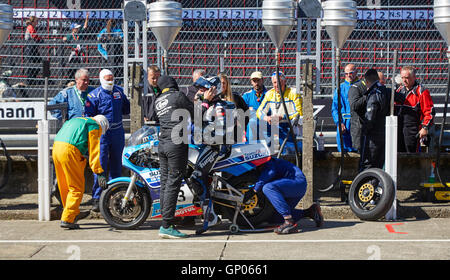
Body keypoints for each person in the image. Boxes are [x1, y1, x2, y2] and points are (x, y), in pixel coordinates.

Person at [153, 75, 194, 238]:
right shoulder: (178, 96)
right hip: (176, 144)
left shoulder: (158, 100)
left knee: (165, 182)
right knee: (174, 182)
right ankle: (167, 225)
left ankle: (165, 222)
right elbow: (195, 113)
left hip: (162, 144)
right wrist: (205, 101)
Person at [84, 69, 130, 212]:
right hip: (101, 134)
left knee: (117, 164)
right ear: (101, 79)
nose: (110, 81)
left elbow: (126, 109)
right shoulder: (93, 95)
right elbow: (88, 116)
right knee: (100, 164)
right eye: (107, 79)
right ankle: (97, 198)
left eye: (112, 78)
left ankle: (114, 195)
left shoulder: (119, 91)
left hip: (117, 132)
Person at [52, 115, 109, 229]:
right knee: (76, 188)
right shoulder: (94, 125)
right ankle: (68, 219)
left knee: (65, 186)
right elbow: (94, 151)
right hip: (69, 151)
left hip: (56, 148)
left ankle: (72, 212)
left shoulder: (76, 120)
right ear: (102, 126)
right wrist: (99, 172)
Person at [243, 157, 323, 234]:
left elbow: (270, 172)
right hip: (289, 186)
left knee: (268, 188)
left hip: (297, 183)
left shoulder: (269, 162)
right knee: (272, 217)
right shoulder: (259, 166)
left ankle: (289, 222)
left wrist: (254, 190)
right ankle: (310, 212)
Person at [256, 71, 303, 150]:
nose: (276, 85)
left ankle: (290, 150)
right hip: (276, 122)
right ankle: (266, 151)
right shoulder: (269, 94)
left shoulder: (294, 93)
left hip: (292, 123)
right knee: (256, 122)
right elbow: (259, 111)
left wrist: (283, 117)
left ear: (284, 81)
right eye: (274, 82)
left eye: (279, 82)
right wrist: (267, 118)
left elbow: (299, 113)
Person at [394, 66, 435, 153]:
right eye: (402, 78)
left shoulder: (421, 91)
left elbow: (430, 112)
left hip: (413, 128)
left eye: (407, 78)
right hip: (398, 127)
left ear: (414, 77)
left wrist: (425, 127)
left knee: (411, 155)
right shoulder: (399, 90)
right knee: (397, 154)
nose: (404, 80)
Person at [359, 69, 390, 171]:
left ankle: (368, 186)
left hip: (373, 137)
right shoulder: (386, 90)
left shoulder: (373, 94)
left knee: (367, 165)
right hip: (384, 133)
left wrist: (364, 131)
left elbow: (370, 116)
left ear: (367, 81)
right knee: (379, 166)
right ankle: (375, 186)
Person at [331, 64, 359, 153]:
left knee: (358, 151)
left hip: (357, 123)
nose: (348, 75)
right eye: (346, 74)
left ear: (356, 72)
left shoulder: (362, 86)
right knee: (343, 152)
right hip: (344, 124)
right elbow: (335, 108)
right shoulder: (340, 88)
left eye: (350, 73)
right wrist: (339, 122)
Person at [218, 72, 248, 143]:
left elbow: (246, 113)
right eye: (220, 83)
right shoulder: (212, 98)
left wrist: (240, 120)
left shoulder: (236, 97)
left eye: (224, 83)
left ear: (227, 84)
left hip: (234, 130)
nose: (222, 85)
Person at [62, 13, 89, 83]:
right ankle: (70, 78)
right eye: (76, 28)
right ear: (73, 29)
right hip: (74, 52)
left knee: (81, 66)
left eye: (78, 28)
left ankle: (81, 79)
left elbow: (85, 26)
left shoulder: (80, 33)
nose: (78, 29)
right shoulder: (70, 35)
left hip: (80, 52)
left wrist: (87, 18)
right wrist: (65, 39)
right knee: (70, 63)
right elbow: (64, 38)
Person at [242, 71, 268, 142]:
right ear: (251, 82)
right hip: (251, 128)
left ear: (262, 80)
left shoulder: (269, 95)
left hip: (266, 126)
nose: (256, 83)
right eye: (254, 81)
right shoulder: (246, 96)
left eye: (258, 80)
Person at [24, 16, 42, 86]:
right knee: (32, 64)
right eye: (36, 21)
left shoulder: (32, 27)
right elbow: (35, 36)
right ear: (33, 22)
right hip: (30, 48)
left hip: (33, 48)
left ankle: (32, 79)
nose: (37, 23)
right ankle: (30, 81)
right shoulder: (30, 27)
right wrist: (40, 40)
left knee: (37, 63)